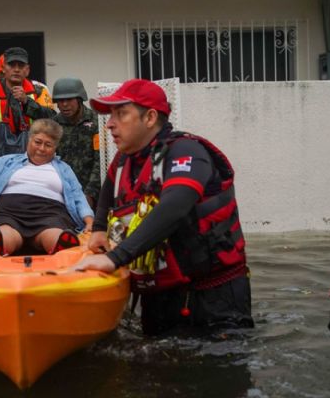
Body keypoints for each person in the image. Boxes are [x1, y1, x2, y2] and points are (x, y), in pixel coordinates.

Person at [73, 79, 253, 336]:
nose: (110, 123)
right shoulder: (125, 160)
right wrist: (99, 228)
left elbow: (176, 205)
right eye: (110, 115)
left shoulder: (187, 151)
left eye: (121, 113)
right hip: (160, 296)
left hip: (213, 299)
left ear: (150, 118)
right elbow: (108, 190)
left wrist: (115, 258)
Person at [0, 119, 94, 256]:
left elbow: (78, 196)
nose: (41, 148)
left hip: (50, 213)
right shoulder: (6, 161)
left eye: (48, 145)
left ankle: (59, 243)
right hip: (6, 212)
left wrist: (89, 221)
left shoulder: (64, 169)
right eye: (38, 142)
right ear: (29, 140)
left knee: (54, 232)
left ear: (55, 148)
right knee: (4, 230)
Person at [0, 46, 56, 161]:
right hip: (1, 160)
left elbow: (52, 120)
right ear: (3, 68)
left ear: (27, 70)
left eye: (21, 66)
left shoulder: (39, 91)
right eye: (12, 65)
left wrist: (27, 102)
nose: (16, 69)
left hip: (34, 160)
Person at [52, 77, 101, 208]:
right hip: (63, 192)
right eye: (60, 101)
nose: (64, 104)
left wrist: (90, 194)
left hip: (92, 192)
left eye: (69, 100)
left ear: (79, 99)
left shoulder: (96, 122)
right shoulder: (54, 125)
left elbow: (100, 161)